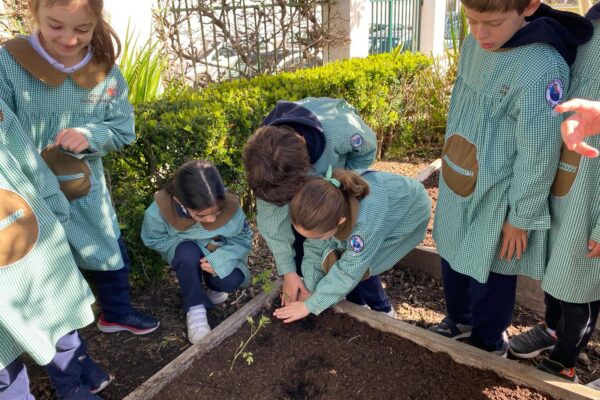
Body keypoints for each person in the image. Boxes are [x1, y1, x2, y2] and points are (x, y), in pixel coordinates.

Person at [428, 0, 592, 356]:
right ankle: (460, 318)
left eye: (493, 23)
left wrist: (521, 216)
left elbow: (539, 152)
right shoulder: (475, 44)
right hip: (461, 170)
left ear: (529, 7)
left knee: (492, 265)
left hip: (500, 191)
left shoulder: (541, 66)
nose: (480, 34)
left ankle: (488, 340)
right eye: (471, 21)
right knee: (452, 246)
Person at [0, 0, 159, 334]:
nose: (69, 39)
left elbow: (122, 129)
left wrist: (89, 135)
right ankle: (67, 342)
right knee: (49, 263)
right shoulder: (9, 64)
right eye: (55, 25)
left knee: (109, 250)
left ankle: (116, 312)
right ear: (34, 12)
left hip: (84, 189)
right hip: (30, 193)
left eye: (82, 29)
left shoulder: (104, 72)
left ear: (96, 22)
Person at [508, 4, 600, 383]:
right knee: (555, 271)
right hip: (567, 170)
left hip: (593, 198)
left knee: (579, 286)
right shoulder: (591, 20)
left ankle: (564, 359)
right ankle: (551, 330)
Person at [0, 101, 109, 399]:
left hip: (23, 225)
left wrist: (54, 208)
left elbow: (24, 155)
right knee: (3, 363)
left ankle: (72, 384)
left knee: (56, 306)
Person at [243, 97, 378, 306]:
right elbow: (273, 224)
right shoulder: (265, 165)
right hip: (308, 205)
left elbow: (367, 150)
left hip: (337, 194)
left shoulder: (340, 127)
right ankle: (310, 287)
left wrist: (344, 184)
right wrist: (288, 272)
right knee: (302, 246)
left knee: (350, 248)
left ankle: (367, 302)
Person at [273, 168, 430, 323]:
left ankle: (385, 312)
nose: (315, 240)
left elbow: (349, 271)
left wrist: (310, 305)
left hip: (409, 212)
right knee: (346, 259)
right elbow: (313, 248)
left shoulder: (364, 228)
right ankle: (358, 302)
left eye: (319, 236)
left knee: (361, 266)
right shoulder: (327, 202)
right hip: (385, 201)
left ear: (340, 221)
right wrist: (310, 289)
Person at [141, 160, 252, 344]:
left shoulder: (230, 206)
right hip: (186, 252)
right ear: (179, 201)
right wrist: (197, 246)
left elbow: (243, 238)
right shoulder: (158, 214)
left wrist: (221, 258)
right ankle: (195, 307)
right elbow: (154, 240)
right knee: (187, 252)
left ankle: (214, 286)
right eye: (201, 215)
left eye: (215, 212)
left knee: (230, 280)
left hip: (220, 248)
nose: (210, 219)